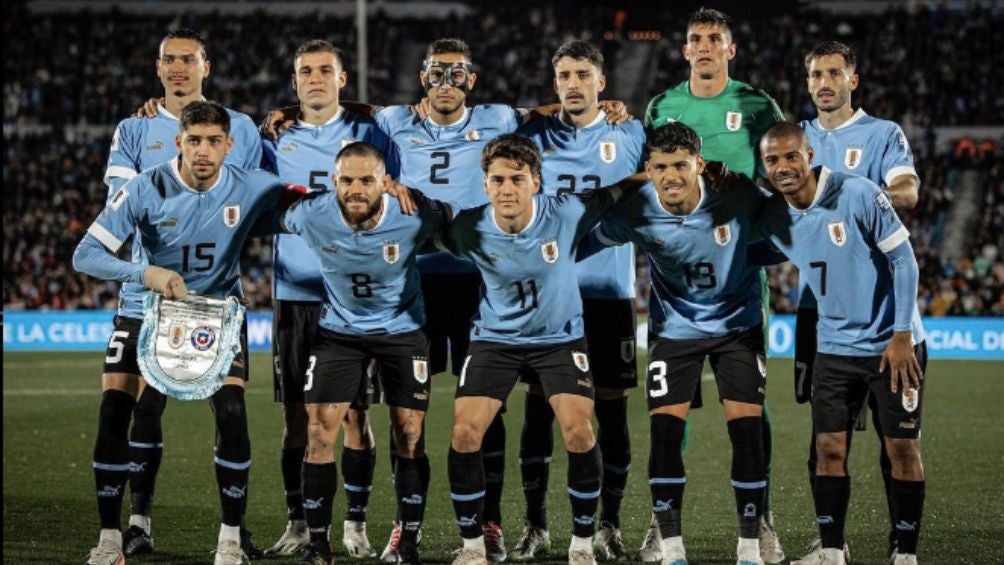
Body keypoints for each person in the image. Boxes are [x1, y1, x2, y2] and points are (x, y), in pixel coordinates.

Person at [74, 101, 303, 565]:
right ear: (179, 141)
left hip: (216, 315)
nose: (203, 151)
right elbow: (86, 254)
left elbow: (311, 207)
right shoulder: (145, 187)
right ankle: (110, 539)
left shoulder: (253, 185)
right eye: (194, 140)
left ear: (229, 146)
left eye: (214, 141)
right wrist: (146, 273)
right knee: (115, 408)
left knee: (233, 412)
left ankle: (230, 539)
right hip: (146, 309)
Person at [438, 133, 646, 565]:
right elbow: (419, 236)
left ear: (536, 182)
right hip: (495, 340)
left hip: (558, 339)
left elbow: (616, 191)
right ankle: (473, 547)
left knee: (579, 431)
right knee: (464, 432)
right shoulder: (468, 228)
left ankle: (581, 545)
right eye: (498, 180)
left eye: (517, 179)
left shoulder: (566, 212)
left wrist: (656, 173)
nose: (507, 189)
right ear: (485, 183)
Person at [103, 29, 262, 558]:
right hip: (151, 301)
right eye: (169, 60)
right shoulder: (136, 127)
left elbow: (254, 195)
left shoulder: (240, 127)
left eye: (188, 60)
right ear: (158, 68)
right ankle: (138, 522)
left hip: (216, 301)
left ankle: (234, 531)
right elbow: (122, 206)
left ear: (205, 66)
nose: (178, 68)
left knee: (231, 410)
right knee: (144, 409)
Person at [587, 122, 771, 565]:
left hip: (737, 328)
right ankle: (671, 548)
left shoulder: (737, 195)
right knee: (665, 436)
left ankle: (751, 546)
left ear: (700, 165)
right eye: (660, 167)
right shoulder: (636, 209)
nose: (671, 177)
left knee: (747, 434)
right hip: (674, 332)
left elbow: (788, 231)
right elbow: (581, 240)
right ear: (648, 169)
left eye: (680, 166)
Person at [643, 8, 785, 563]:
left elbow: (779, 174)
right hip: (676, 278)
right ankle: (661, 523)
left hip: (739, 274)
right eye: (696, 39)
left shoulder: (757, 105)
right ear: (685, 50)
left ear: (731, 49)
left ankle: (761, 517)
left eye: (714, 39)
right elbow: (647, 173)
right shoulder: (662, 106)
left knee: (749, 403)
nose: (704, 46)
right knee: (668, 409)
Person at [756, 123, 927, 565]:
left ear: (810, 155)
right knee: (828, 449)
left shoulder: (858, 192)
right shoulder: (775, 215)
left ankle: (905, 553)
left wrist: (902, 335)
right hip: (832, 348)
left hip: (891, 347)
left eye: (791, 156)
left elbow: (904, 261)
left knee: (901, 448)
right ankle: (831, 551)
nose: (783, 167)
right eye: (772, 160)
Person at [279, 142, 449, 565]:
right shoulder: (310, 215)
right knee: (319, 432)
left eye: (367, 180)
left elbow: (452, 220)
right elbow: (260, 214)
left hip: (402, 330)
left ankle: (408, 544)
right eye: (347, 180)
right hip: (339, 332)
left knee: (409, 435)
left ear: (385, 182)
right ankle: (319, 544)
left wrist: (419, 195)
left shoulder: (413, 215)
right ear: (334, 181)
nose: (356, 189)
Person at [260, 39, 398, 559]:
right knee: (297, 417)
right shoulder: (273, 139)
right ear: (294, 81)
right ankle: (299, 522)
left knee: (356, 417)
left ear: (342, 78)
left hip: (355, 295)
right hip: (295, 294)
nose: (314, 78)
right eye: (305, 71)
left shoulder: (372, 132)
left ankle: (356, 524)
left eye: (325, 70)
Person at [513, 39, 645, 562]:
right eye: (564, 75)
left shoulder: (631, 134)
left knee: (611, 412)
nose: (573, 84)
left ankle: (609, 524)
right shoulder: (532, 136)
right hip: (548, 293)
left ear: (601, 82)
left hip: (610, 293)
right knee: (538, 411)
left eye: (583, 75)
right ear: (555, 84)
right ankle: (535, 525)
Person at [793, 41, 921, 564]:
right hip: (817, 313)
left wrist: (854, 194)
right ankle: (831, 544)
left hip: (882, 315)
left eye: (834, 73)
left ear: (853, 79)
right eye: (815, 75)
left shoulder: (882, 134)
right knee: (824, 440)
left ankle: (901, 544)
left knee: (896, 442)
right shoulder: (797, 140)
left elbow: (907, 191)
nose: (824, 83)